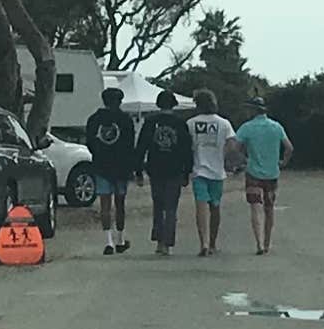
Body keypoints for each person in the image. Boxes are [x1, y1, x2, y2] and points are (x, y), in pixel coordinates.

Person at [83, 85, 145, 255]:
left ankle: (108, 241)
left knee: (105, 205)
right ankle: (120, 239)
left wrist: (98, 154)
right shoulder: (125, 120)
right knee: (120, 204)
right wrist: (136, 169)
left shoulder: (94, 119)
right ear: (120, 101)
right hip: (122, 167)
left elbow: (89, 142)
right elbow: (131, 145)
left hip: (101, 166)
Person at [184, 95, 237, 258]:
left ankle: (204, 243)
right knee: (215, 206)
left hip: (199, 169)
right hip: (217, 171)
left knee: (201, 206)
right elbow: (232, 143)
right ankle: (213, 243)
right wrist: (223, 155)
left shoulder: (191, 123)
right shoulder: (224, 123)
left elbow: (186, 145)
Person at [235, 99, 289, 256]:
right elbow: (289, 147)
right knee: (269, 208)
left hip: (253, 172)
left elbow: (235, 147)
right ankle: (267, 242)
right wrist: (283, 162)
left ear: (253, 110)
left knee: (255, 207)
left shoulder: (247, 127)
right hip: (272, 173)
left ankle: (258, 242)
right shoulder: (276, 126)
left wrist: (244, 159)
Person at [142, 89, 193, 254]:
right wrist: (187, 171)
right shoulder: (180, 123)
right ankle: (168, 243)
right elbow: (186, 149)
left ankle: (159, 241)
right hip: (175, 169)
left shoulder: (150, 122)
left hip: (155, 168)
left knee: (158, 205)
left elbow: (142, 145)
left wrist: (138, 169)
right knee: (171, 207)